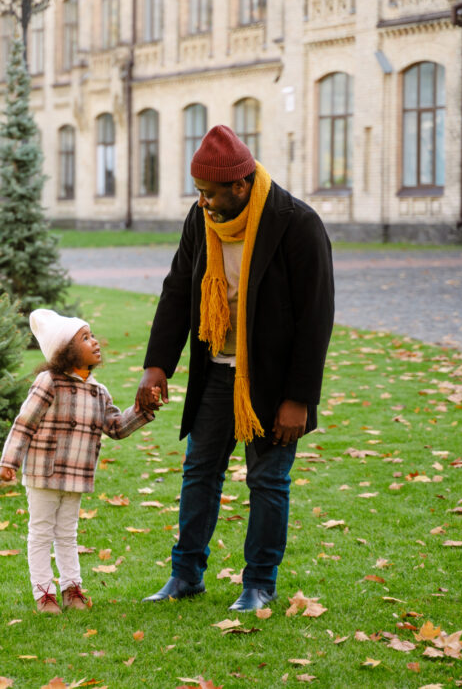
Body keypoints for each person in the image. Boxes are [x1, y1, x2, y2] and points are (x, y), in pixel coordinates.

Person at [136, 125, 334, 612]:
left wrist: (298, 398)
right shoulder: (201, 220)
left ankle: (260, 583)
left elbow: (316, 318)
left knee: (268, 480)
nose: (202, 202)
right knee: (199, 472)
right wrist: (157, 365)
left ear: (240, 187)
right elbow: (178, 290)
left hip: (272, 380)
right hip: (215, 371)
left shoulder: (295, 224)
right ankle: (186, 575)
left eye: (210, 193)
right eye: (199, 193)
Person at [0, 309, 157, 614]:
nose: (95, 342)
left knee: (68, 534)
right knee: (42, 531)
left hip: (76, 476)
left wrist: (142, 410)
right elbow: (25, 423)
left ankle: (72, 589)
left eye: (93, 335)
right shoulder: (48, 382)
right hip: (44, 474)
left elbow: (115, 427)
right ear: (66, 352)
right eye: (85, 338)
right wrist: (10, 461)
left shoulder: (99, 391)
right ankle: (44, 594)